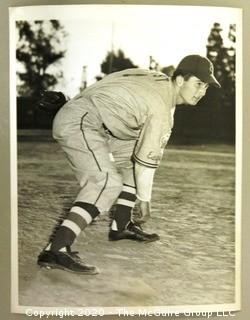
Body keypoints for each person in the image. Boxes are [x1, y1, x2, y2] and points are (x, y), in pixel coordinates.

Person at [37, 54, 220, 275]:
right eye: (198, 84)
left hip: (101, 121)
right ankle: (56, 249)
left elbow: (115, 80)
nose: (202, 91)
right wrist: (144, 199)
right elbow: (147, 162)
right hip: (83, 120)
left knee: (132, 164)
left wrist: (74, 100)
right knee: (106, 182)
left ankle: (120, 226)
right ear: (180, 80)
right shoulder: (162, 108)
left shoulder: (156, 78)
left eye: (206, 87)